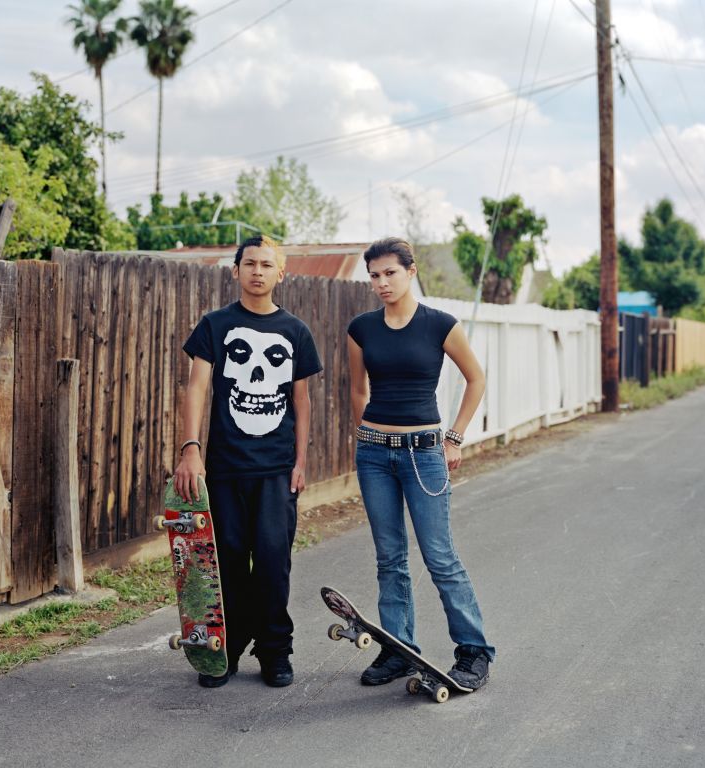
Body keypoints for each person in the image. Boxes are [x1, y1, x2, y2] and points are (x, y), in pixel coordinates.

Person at [347, 236, 495, 690]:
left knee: (439, 556)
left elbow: (476, 378)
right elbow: (357, 390)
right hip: (373, 455)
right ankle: (398, 649)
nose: (381, 282)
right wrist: (366, 434)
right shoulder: (361, 329)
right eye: (374, 275)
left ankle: (474, 651)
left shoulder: (440, 325)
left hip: (423, 455)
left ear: (411, 272)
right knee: (389, 557)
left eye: (390, 272)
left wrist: (454, 436)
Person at [174, 234, 322, 689]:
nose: (258, 271)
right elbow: (196, 387)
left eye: (266, 264)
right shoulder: (215, 326)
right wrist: (190, 449)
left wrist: (300, 460)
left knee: (274, 562)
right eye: (249, 263)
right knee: (231, 562)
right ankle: (229, 648)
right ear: (235, 271)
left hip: (276, 470)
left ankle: (275, 651)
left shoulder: (295, 331)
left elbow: (302, 401)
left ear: (281, 274)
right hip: (224, 469)